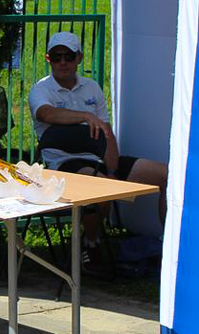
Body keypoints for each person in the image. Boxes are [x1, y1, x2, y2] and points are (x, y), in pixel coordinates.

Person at [28, 31, 167, 277]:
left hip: (98, 156)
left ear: (79, 58)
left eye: (68, 57)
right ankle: (91, 245)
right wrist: (85, 116)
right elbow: (47, 115)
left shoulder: (91, 87)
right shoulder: (41, 89)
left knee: (165, 174)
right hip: (64, 161)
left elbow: (106, 131)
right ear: (48, 59)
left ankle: (169, 244)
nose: (62, 62)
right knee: (99, 187)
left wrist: (112, 169)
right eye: (57, 57)